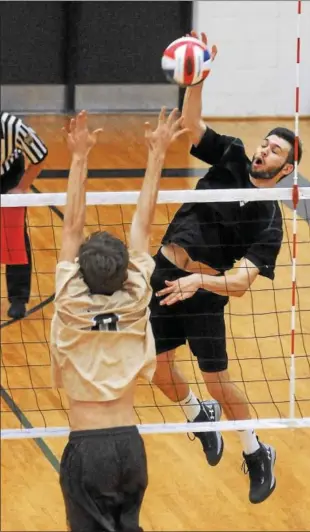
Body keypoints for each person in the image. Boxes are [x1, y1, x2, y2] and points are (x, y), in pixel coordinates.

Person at [149, 31, 303, 505]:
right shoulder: (233, 154)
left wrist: (202, 281)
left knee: (219, 378)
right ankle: (199, 415)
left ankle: (256, 450)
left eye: (275, 151)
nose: (264, 151)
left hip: (206, 292)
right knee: (156, 372)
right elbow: (192, 126)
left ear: (286, 169)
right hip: (164, 270)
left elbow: (240, 282)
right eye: (265, 144)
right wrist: (200, 78)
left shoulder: (269, 220)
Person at [50, 108, 188, 531]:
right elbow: (143, 224)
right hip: (131, 447)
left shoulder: (70, 307)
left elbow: (71, 225)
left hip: (88, 452)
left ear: (81, 275)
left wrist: (78, 157)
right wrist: (158, 153)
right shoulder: (135, 300)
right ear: (126, 271)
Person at [0, 112, 48, 319]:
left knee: (14, 237)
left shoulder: (14, 127)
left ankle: (18, 298)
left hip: (8, 177)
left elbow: (40, 155)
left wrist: (21, 188)